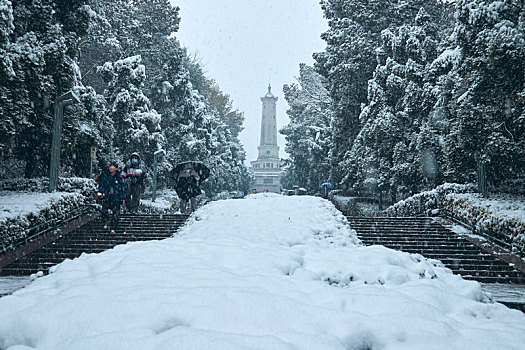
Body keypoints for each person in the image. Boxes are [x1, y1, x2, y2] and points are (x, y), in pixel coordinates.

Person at [97, 162, 127, 230]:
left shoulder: (119, 178)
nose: (111, 168)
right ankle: (106, 222)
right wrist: (101, 192)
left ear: (116, 168)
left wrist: (123, 197)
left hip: (116, 198)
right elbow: (102, 185)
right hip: (107, 197)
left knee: (116, 213)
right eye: (110, 167)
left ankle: (114, 227)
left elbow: (123, 188)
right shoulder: (106, 177)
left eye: (113, 167)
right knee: (104, 211)